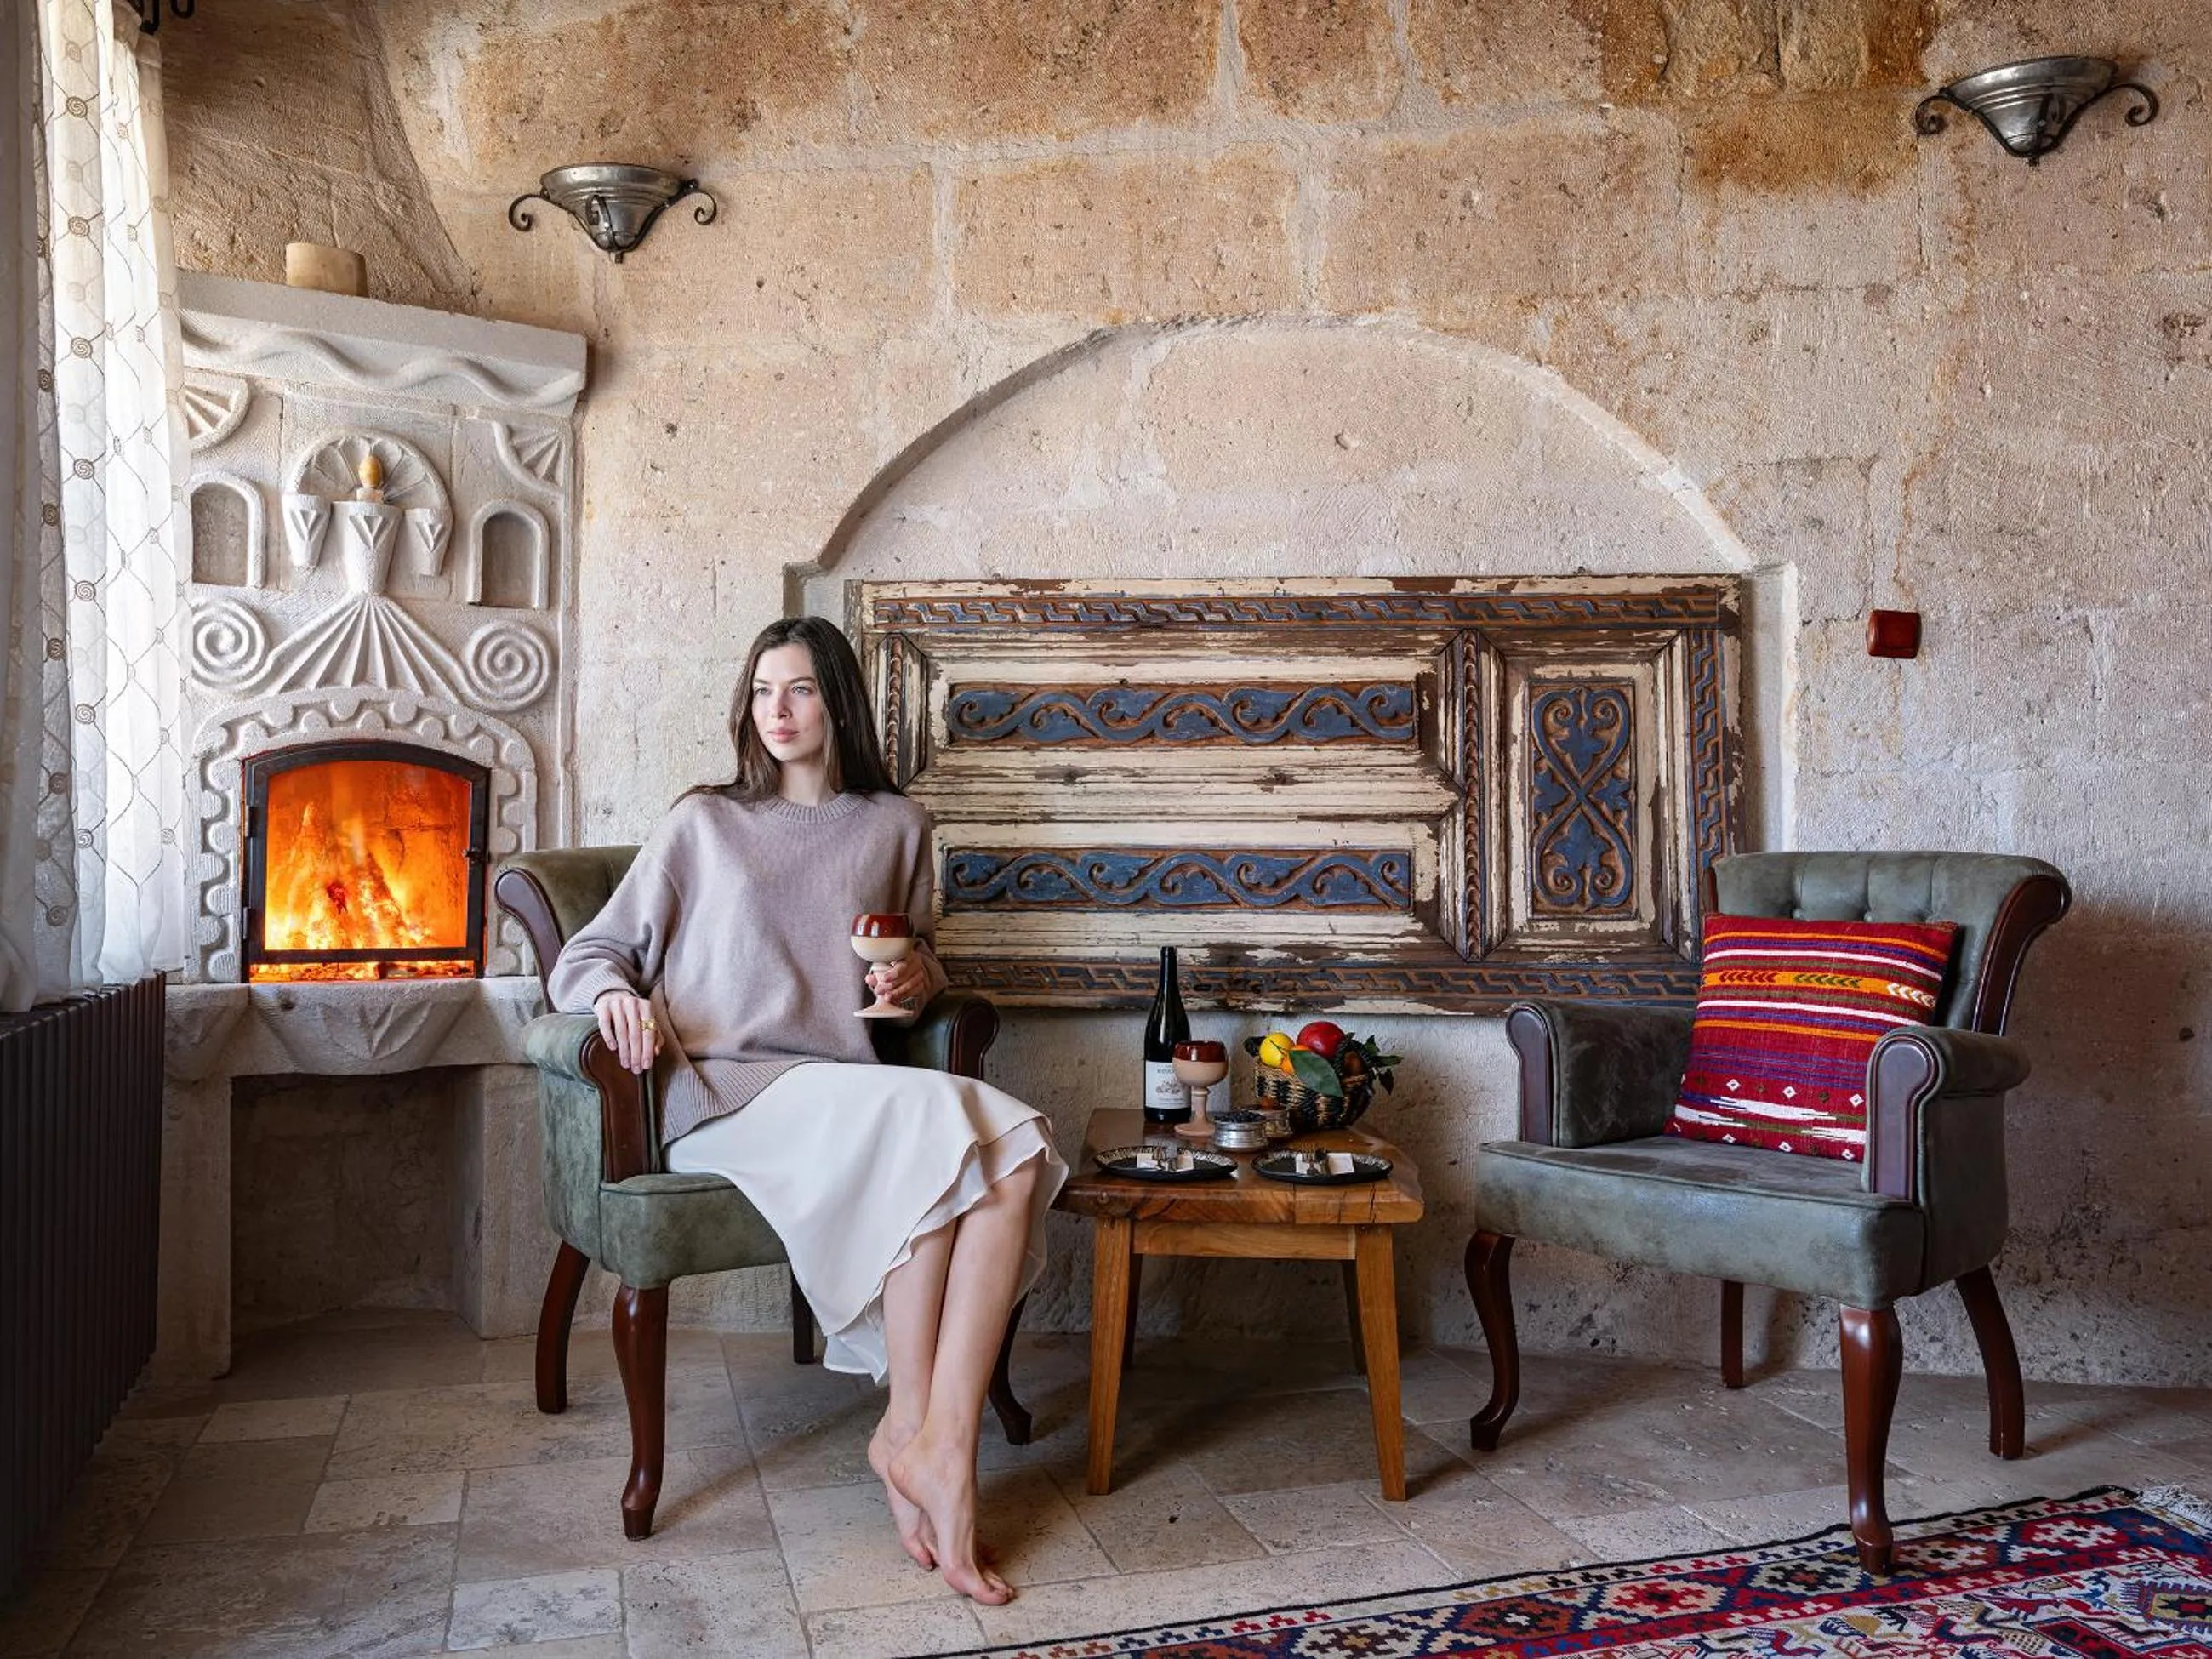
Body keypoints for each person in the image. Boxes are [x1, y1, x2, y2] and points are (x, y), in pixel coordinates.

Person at [547, 615, 1067, 1605]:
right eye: (759, 692)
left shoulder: (895, 825)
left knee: (997, 1156)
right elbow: (588, 954)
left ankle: (928, 1440)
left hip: (842, 1084)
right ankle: (928, 1446)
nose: (776, 712)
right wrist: (614, 994)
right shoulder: (702, 823)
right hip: (730, 1089)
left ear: (837, 702)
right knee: (981, 1134)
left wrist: (915, 983)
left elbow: (914, 962)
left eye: (798, 690)